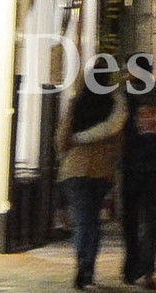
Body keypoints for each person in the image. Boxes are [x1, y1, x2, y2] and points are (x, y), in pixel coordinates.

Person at [57, 83, 124, 291]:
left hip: (75, 168)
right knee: (93, 221)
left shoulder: (76, 103)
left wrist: (64, 154)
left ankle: (82, 265)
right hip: (101, 170)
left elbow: (62, 135)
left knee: (82, 222)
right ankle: (88, 270)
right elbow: (117, 139)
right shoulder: (112, 106)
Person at [120, 77, 156, 289]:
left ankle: (132, 268)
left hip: (131, 167)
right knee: (151, 221)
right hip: (155, 166)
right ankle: (148, 269)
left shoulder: (125, 97)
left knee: (131, 220)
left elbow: (117, 128)